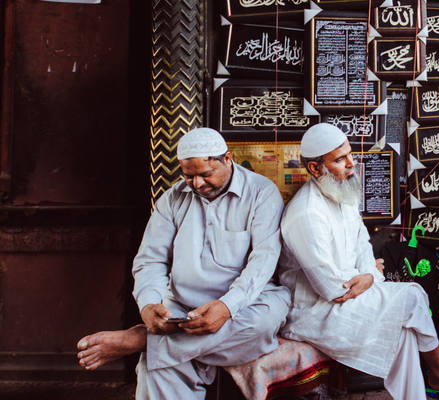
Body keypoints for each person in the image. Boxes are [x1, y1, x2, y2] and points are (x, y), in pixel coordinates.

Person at [75, 128, 290, 399]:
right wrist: (149, 304)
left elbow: (264, 261)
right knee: (158, 369)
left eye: (205, 174)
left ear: (227, 158)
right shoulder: (173, 198)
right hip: (183, 308)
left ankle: (142, 341)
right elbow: (150, 260)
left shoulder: (261, 192)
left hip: (246, 304)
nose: (197, 183)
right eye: (188, 176)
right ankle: (159, 342)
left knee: (263, 322)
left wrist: (226, 306)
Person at [278, 123, 439, 400]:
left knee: (406, 331)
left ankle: (421, 390)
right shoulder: (306, 214)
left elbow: (363, 245)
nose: (352, 164)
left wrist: (367, 275)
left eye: (350, 155)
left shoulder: (342, 194)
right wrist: (370, 275)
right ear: (315, 169)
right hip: (313, 314)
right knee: (412, 297)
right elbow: (332, 289)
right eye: (340, 159)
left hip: (351, 294)